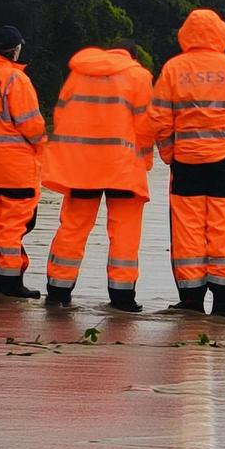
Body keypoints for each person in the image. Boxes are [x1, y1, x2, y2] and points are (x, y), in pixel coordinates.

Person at [150, 9, 225, 318]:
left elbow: (159, 117)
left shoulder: (174, 68)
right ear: (221, 33)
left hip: (186, 162)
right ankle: (223, 301)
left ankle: (191, 300)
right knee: (222, 228)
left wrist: (169, 154)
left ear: (186, 33)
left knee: (188, 230)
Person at [41, 40, 154, 311]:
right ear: (133, 56)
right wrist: (145, 161)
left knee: (73, 227)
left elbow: (61, 114)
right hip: (123, 166)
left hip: (82, 167)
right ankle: (122, 297)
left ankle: (58, 290)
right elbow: (146, 125)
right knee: (124, 231)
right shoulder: (138, 76)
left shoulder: (78, 73)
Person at [0, 26, 45, 298]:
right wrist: (42, 145)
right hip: (15, 166)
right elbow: (31, 124)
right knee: (13, 224)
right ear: (16, 49)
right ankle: (11, 281)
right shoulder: (17, 80)